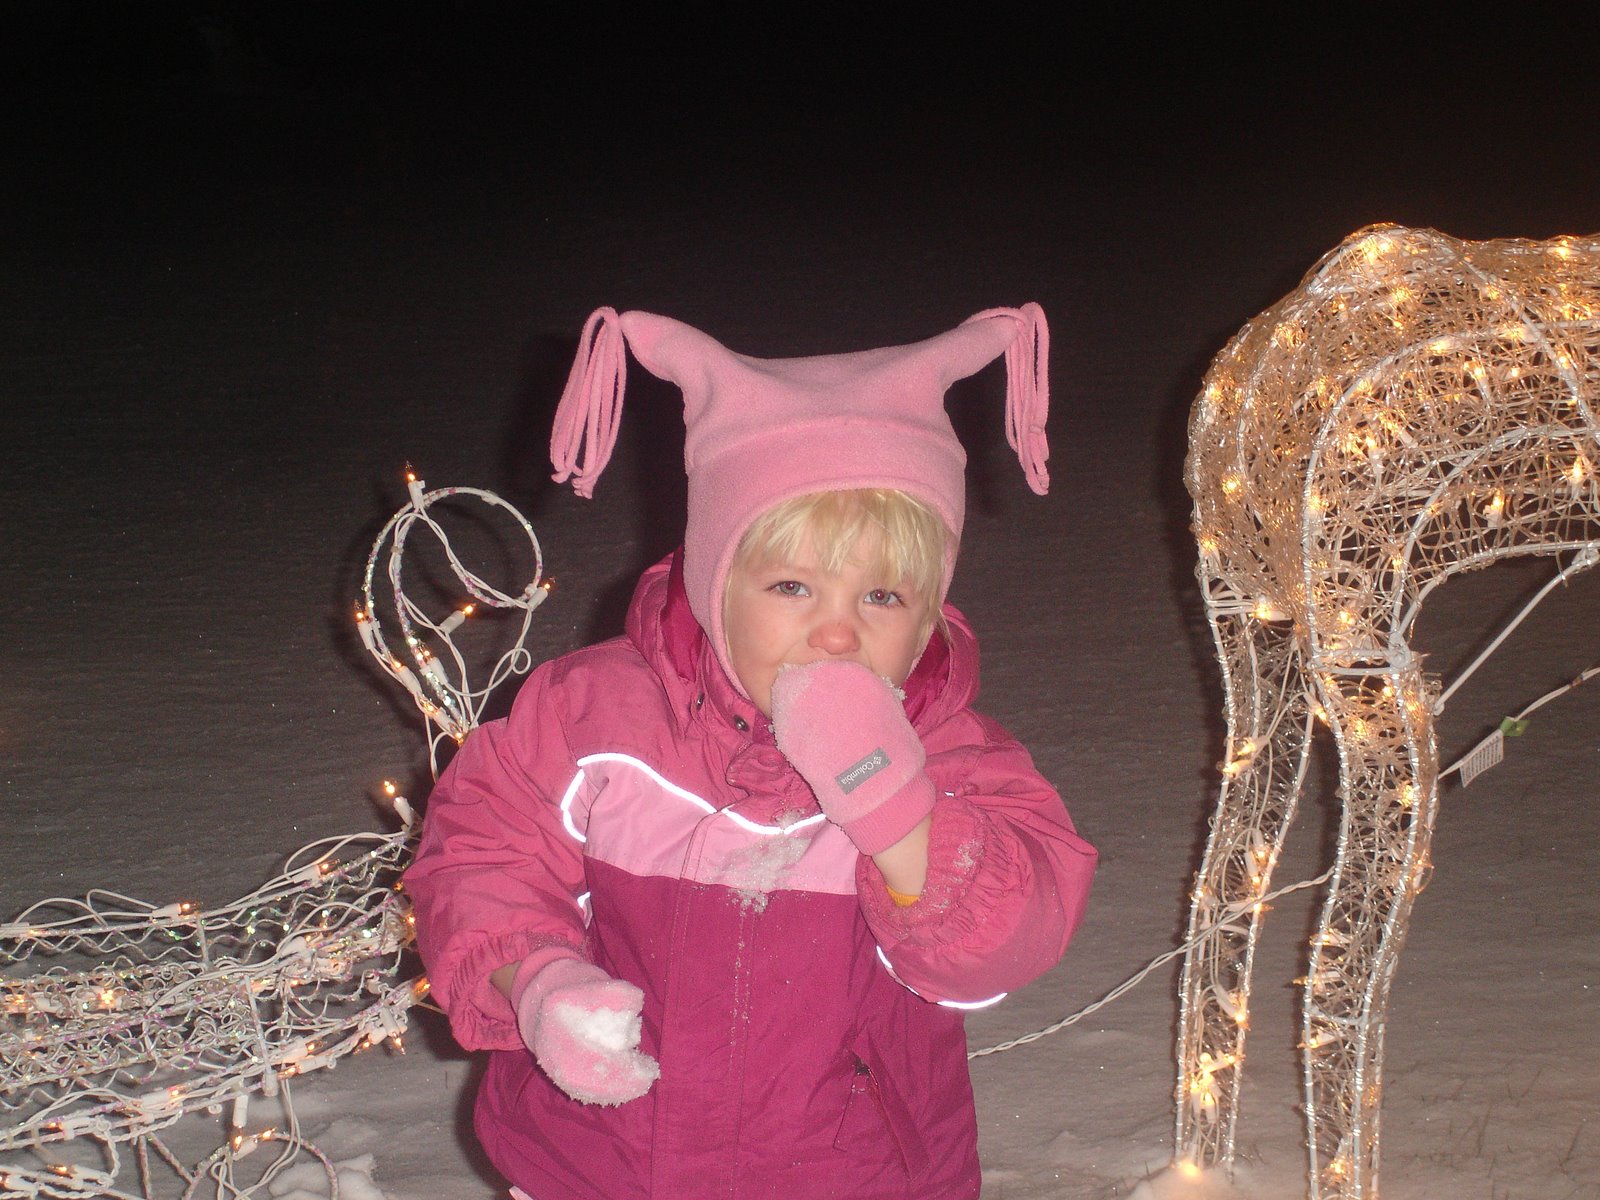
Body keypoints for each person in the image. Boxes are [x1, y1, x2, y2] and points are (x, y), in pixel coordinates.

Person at [403, 304, 1097, 1200]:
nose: (838, 632)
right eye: (792, 586)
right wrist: (536, 980)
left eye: (883, 596)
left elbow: (1014, 938)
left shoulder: (956, 756)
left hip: (853, 1175)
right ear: (714, 580)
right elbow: (480, 856)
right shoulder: (590, 720)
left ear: (930, 612)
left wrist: (896, 811)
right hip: (599, 1165)